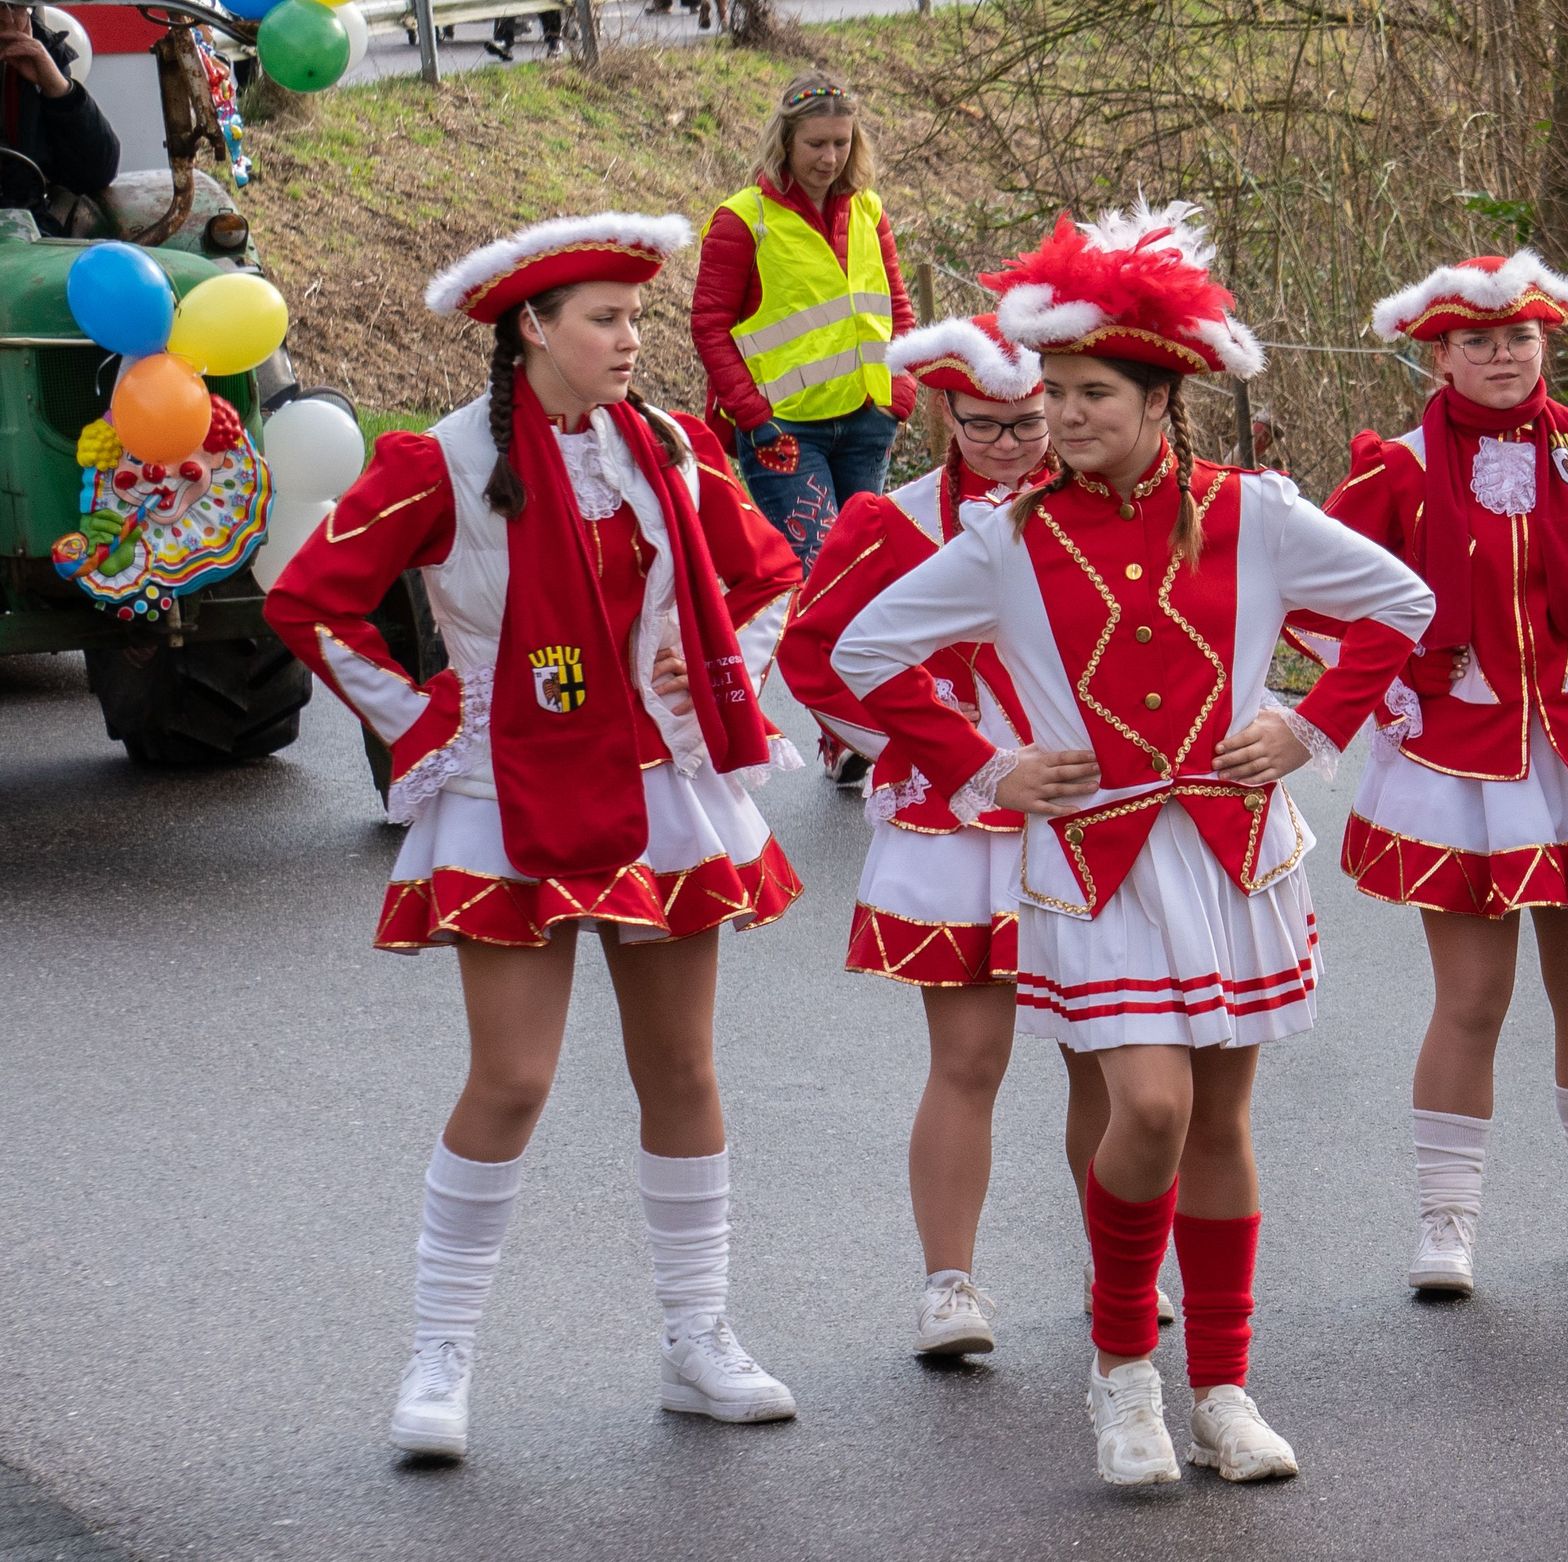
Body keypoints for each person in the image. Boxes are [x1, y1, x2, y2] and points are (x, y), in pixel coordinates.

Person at [831, 202, 1434, 1486]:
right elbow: (863, 652)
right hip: (1095, 861)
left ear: (1162, 397)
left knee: (1219, 1123)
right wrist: (986, 763)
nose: (1061, 416)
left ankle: (1222, 1384)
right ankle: (1122, 1376)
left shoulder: (1254, 511)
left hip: (1234, 854)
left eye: (1090, 391)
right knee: (1147, 1105)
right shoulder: (1006, 536)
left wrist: (1309, 722)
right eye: (1049, 393)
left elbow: (1402, 602)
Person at [261, 213, 810, 1461]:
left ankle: (698, 1337)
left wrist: (709, 672)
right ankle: (440, 1356)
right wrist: (428, 719)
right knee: (511, 1080)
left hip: (659, 791)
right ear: (532, 329)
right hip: (510, 794)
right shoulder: (440, 459)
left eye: (636, 318)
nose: (631, 341)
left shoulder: (668, 443)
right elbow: (310, 601)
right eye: (605, 320)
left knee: (682, 1071)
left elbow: (769, 572)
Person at [1309, 252, 1568, 1297]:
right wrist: (1398, 679)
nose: (1502, 356)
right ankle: (1447, 1216)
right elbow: (1313, 593)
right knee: (1473, 997)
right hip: (1459, 755)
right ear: (1438, 353)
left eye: (1520, 338)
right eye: (1478, 341)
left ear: (1547, 342)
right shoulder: (1394, 467)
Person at [779, 312, 1178, 1351]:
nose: (1012, 444)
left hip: (1092, 810)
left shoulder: (1105, 510)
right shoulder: (895, 521)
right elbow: (816, 655)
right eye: (986, 426)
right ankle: (948, 1286)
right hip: (961, 819)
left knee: (1102, 1052)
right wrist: (929, 754)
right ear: (941, 413)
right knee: (968, 1059)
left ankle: (1116, 1268)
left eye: (1029, 420)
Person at [690, 73, 918, 568]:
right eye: (816, 144)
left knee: (866, 572)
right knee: (818, 578)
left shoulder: (869, 210)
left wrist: (900, 393)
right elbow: (709, 326)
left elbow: (897, 306)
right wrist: (753, 415)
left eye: (842, 143)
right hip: (786, 431)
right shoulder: (743, 219)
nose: (830, 158)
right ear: (785, 141)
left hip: (867, 420)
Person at [1, 3, 116, 238]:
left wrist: (57, 87)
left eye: (15, 6)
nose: (5, 18)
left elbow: (95, 173)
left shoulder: (40, 51)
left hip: (25, 232)